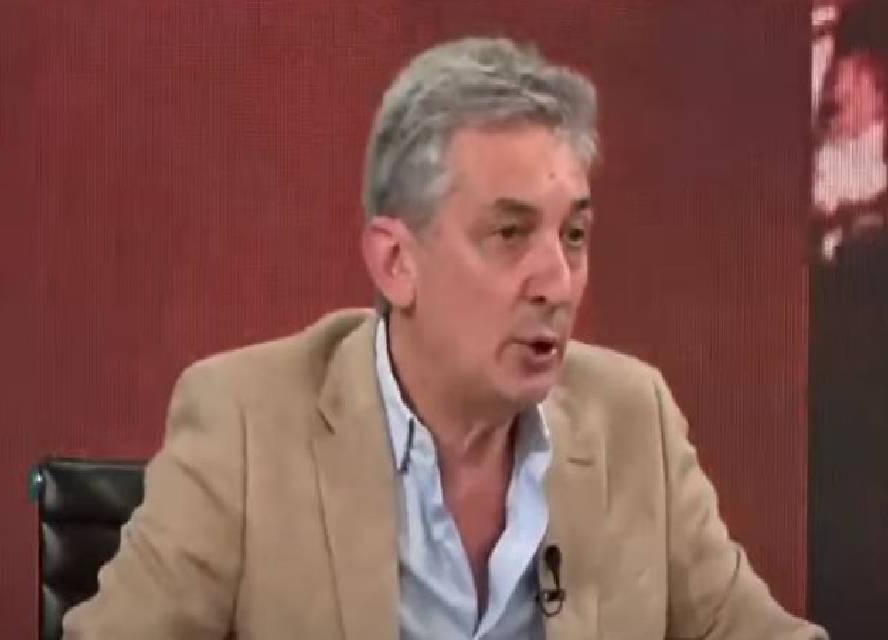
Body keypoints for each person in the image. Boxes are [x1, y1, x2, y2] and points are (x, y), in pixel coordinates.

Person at [63, 37, 827, 639]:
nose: (558, 282)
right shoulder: (247, 426)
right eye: (509, 233)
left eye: (574, 235)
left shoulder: (633, 419)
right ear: (397, 263)